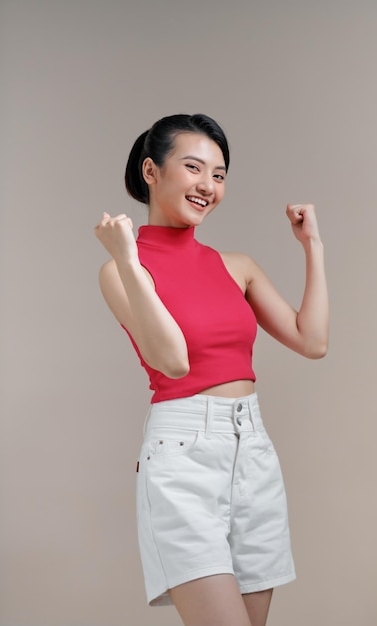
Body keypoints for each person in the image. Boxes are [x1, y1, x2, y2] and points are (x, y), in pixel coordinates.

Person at [94, 113, 329, 626]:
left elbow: (312, 341)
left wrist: (312, 245)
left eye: (219, 175)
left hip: (253, 451)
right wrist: (131, 261)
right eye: (194, 168)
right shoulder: (119, 271)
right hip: (183, 456)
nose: (208, 186)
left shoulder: (236, 265)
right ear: (151, 172)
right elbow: (173, 362)